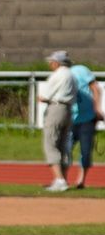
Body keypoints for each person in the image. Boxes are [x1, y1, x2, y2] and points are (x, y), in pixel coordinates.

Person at [38, 50, 76, 192]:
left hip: (56, 108)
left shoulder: (57, 75)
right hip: (68, 110)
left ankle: (59, 180)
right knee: (62, 144)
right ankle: (63, 179)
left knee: (50, 143)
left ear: (56, 62)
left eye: (51, 62)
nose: (50, 64)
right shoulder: (71, 75)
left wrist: (41, 98)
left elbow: (44, 96)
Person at [68, 61, 104, 189]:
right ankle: (62, 179)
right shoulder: (59, 76)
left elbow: (96, 88)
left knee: (85, 151)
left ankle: (81, 180)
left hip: (87, 118)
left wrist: (97, 109)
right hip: (69, 119)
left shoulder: (81, 70)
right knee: (65, 149)